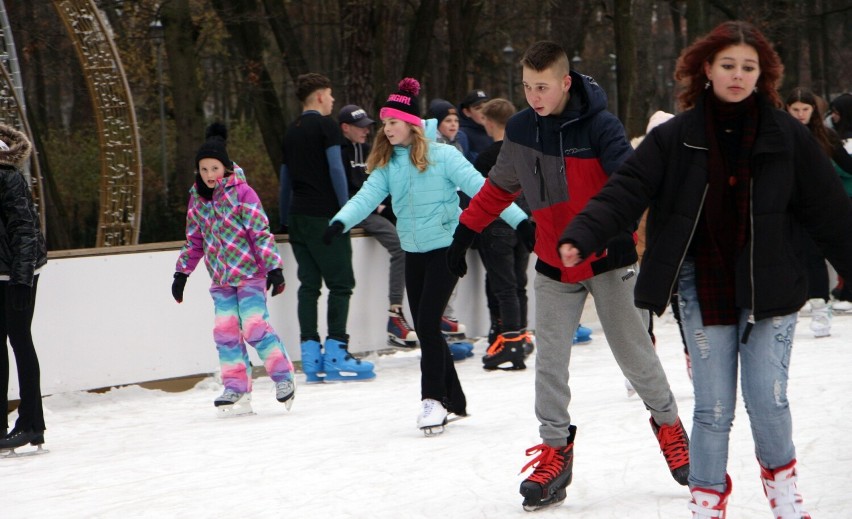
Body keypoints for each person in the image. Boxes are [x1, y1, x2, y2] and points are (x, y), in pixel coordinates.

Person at [560, 21, 852, 518]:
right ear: (706, 70)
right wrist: (582, 234)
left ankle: (784, 497)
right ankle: (706, 503)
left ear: (763, 75)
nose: (738, 75)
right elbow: (626, 190)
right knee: (713, 408)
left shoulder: (787, 135)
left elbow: (830, 210)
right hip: (704, 283)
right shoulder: (677, 137)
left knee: (768, 401)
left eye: (749, 67)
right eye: (728, 65)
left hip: (772, 283)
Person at [446, 40, 690, 510]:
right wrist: (464, 234)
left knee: (636, 357)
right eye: (525, 87)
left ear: (564, 82)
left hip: (608, 258)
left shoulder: (600, 125)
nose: (533, 96)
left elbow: (629, 180)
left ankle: (669, 426)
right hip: (553, 265)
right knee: (550, 364)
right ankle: (556, 453)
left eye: (541, 87)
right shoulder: (519, 128)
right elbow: (499, 188)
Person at [323, 78, 533, 435]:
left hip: (446, 250)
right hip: (413, 251)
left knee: (427, 321)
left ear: (411, 124)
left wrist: (522, 221)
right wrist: (339, 222)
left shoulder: (444, 156)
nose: (386, 129)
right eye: (385, 123)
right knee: (425, 326)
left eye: (392, 122)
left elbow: (485, 192)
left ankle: (433, 399)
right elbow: (365, 198)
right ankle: (456, 399)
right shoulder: (388, 164)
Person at [172, 123, 295, 417]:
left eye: (214, 168)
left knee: (253, 327)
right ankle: (236, 388)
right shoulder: (197, 200)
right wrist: (181, 274)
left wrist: (274, 268)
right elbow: (195, 241)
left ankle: (283, 377)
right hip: (222, 280)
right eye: (203, 169)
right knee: (225, 333)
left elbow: (260, 232)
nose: (209, 175)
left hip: (251, 274)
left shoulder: (244, 193)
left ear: (226, 168)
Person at [279, 73, 375, 383]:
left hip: (297, 218)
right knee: (341, 283)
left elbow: (285, 180)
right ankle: (336, 352)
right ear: (320, 96)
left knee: (309, 286)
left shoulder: (290, 132)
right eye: (330, 95)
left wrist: (283, 217)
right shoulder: (326, 127)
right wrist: (347, 211)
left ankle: (310, 355)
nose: (333, 101)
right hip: (325, 217)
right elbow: (336, 168)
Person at [338, 104, 417, 348]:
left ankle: (429, 315)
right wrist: (378, 208)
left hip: (373, 209)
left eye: (368, 126)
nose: (366, 131)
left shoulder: (365, 149)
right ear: (345, 128)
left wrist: (389, 206)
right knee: (400, 247)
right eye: (360, 127)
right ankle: (396, 313)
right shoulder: (339, 152)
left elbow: (378, 184)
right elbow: (352, 193)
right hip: (356, 212)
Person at [471, 98, 533, 371]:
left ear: (490, 122)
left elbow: (478, 193)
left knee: (502, 285)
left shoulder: (487, 157)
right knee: (517, 283)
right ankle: (518, 334)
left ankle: (509, 339)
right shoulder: (526, 152)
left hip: (497, 226)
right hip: (524, 225)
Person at [786, 87, 852, 334]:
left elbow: (847, 164)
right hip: (794, 207)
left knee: (843, 252)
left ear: (813, 111)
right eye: (796, 110)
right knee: (810, 257)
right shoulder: (780, 135)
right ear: (788, 109)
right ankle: (819, 309)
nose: (800, 114)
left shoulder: (825, 136)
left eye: (805, 109)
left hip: (827, 204)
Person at [0, 124, 48, 454]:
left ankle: (31, 423)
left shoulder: (8, 176)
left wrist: (21, 279)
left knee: (19, 338)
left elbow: (26, 230)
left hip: (19, 271)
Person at [458, 88, 493, 163]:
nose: (484, 111)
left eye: (487, 106)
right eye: (478, 108)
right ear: (467, 112)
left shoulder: (497, 129)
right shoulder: (462, 135)